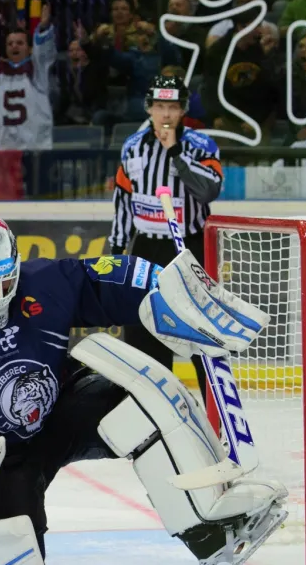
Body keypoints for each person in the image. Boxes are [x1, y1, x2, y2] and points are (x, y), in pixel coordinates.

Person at [0, 216, 286, 565]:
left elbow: (106, 276)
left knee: (141, 405)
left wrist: (168, 290)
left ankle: (213, 535)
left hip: (64, 410)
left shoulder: (43, 283)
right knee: (11, 548)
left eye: (6, 279)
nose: (0, 293)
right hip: (0, 458)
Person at [111, 75, 222, 402]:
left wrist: (175, 152)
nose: (166, 114)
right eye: (160, 106)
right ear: (149, 108)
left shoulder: (202, 146)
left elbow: (209, 191)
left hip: (189, 248)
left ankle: (215, 412)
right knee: (143, 331)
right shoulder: (132, 146)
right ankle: (154, 408)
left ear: (183, 110)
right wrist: (117, 249)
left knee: (201, 332)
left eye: (173, 107)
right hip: (146, 246)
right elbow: (123, 201)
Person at [0, 4, 55, 150]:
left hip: (36, 150)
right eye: (10, 44)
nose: (14, 46)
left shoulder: (37, 71)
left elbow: (44, 54)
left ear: (30, 48)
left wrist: (43, 28)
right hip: (5, 151)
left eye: (20, 43)